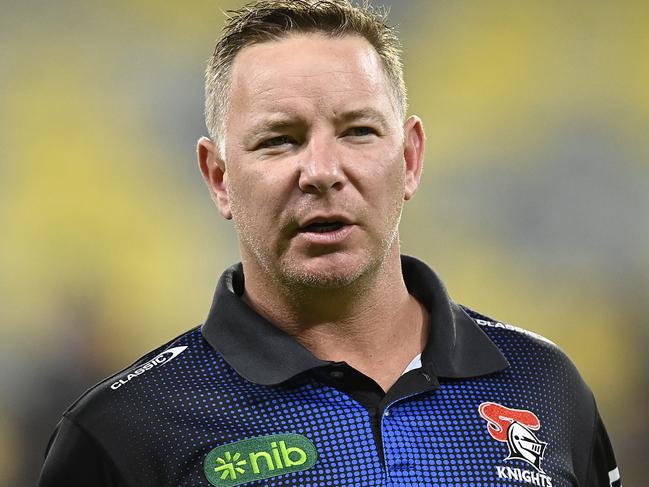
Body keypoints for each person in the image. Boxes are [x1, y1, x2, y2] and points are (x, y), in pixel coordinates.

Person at [39, 1, 621, 486]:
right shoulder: (124, 431)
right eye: (279, 140)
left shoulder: (545, 385)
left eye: (358, 131)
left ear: (410, 158)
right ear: (218, 177)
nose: (321, 170)